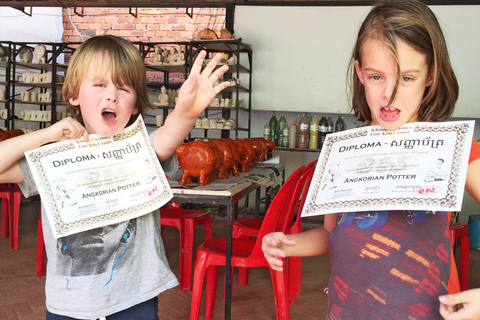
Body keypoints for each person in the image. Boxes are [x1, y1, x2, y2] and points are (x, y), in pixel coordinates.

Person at [262, 1, 480, 319]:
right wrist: (287, 244)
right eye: (377, 77)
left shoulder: (454, 147)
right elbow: (330, 233)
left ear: (430, 76)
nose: (389, 95)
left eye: (407, 78)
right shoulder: (344, 151)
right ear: (360, 72)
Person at [0, 35, 230, 319]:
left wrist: (185, 112)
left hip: (135, 300)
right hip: (69, 305)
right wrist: (47, 135)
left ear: (134, 105)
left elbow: (168, 137)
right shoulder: (53, 156)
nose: (111, 95)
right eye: (99, 84)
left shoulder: (140, 147)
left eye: (123, 87)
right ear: (74, 95)